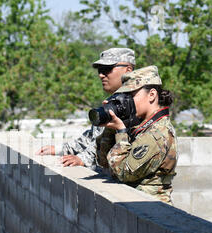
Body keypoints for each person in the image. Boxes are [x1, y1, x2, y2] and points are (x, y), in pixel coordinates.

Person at [35, 48, 135, 169]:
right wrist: (62, 149)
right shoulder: (114, 100)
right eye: (100, 70)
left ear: (128, 70)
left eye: (107, 69)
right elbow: (94, 136)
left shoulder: (135, 103)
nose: (101, 75)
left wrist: (83, 159)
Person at [99, 65, 177, 204]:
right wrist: (111, 125)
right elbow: (104, 162)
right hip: (135, 206)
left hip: (152, 211)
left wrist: (122, 133)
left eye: (131, 95)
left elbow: (123, 172)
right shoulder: (139, 126)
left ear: (152, 94)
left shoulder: (157, 133)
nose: (126, 101)